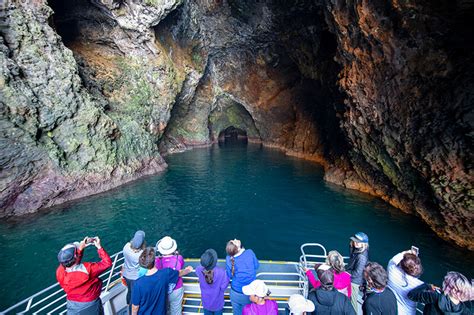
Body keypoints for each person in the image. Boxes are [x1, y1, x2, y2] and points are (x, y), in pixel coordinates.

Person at [56, 236, 112, 315]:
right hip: (90, 303)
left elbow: (72, 263)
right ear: (75, 257)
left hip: (72, 303)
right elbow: (107, 263)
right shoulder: (87, 269)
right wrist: (99, 247)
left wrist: (80, 249)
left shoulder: (59, 271)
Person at [131, 247, 193, 315]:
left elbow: (135, 307)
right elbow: (180, 273)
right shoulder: (166, 273)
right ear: (154, 260)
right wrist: (188, 269)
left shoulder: (138, 283)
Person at [408, 271, 473, 314]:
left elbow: (411, 295)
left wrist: (427, 286)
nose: (443, 284)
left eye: (447, 283)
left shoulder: (434, 297)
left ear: (454, 290)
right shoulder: (464, 310)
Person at [155, 236, 188, 315]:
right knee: (176, 309)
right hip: (176, 288)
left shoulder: (157, 261)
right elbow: (181, 266)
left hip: (163, 289)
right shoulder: (179, 258)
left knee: (164, 307)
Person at [225, 239, 260, 314]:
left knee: (236, 312)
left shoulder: (229, 258)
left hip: (235, 293)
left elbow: (229, 275)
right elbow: (257, 266)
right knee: (248, 312)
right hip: (249, 294)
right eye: (234, 242)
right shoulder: (249, 252)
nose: (235, 239)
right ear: (238, 248)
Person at [387, 249, 424, 314]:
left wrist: (408, 252)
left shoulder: (391, 268)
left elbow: (395, 259)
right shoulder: (419, 285)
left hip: (388, 309)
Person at [196, 249, 230, 315]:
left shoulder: (199, 269)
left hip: (206, 303)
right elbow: (223, 288)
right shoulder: (222, 272)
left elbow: (198, 272)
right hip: (218, 304)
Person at [122, 230, 146, 314]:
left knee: (129, 291)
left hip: (126, 274)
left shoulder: (126, 247)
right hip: (135, 278)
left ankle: (128, 305)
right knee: (134, 296)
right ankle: (131, 312)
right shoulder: (141, 254)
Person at [346, 232, 369, 310]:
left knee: (353, 302)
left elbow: (357, 273)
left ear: (363, 244)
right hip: (351, 276)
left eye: (358, 242)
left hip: (354, 281)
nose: (355, 243)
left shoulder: (361, 257)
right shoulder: (356, 249)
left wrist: (346, 272)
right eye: (354, 241)